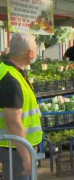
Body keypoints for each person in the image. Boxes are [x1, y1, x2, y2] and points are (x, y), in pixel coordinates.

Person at [0, 33, 43, 179]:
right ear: (30, 53)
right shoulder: (11, 79)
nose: (36, 51)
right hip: (15, 149)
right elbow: (13, 122)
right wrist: (26, 156)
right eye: (36, 48)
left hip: (17, 147)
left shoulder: (13, 72)